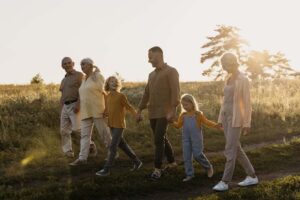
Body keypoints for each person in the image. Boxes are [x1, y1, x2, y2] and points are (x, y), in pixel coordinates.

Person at [213, 53, 258, 191]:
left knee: (230, 149)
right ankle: (252, 176)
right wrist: (220, 119)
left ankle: (225, 181)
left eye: (224, 65)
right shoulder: (228, 79)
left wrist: (247, 123)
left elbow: (247, 103)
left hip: (236, 119)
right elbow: (225, 102)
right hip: (226, 118)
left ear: (232, 63)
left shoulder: (243, 79)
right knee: (236, 148)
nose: (223, 68)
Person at [137, 46, 180, 180]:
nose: (149, 60)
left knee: (157, 139)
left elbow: (175, 91)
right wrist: (139, 109)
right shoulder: (151, 75)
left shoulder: (171, 71)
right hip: (153, 112)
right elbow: (146, 93)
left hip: (165, 112)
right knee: (161, 137)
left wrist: (173, 110)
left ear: (159, 55)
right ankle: (172, 162)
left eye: (151, 57)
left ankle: (157, 168)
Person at [96, 76, 142, 176]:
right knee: (122, 145)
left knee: (113, 147)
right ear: (107, 84)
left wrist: (136, 115)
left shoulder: (121, 96)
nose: (113, 83)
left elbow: (128, 107)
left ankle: (106, 170)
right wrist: (104, 113)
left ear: (117, 84)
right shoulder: (107, 96)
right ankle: (137, 162)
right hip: (111, 124)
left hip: (119, 125)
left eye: (115, 81)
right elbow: (107, 109)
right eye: (111, 81)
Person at [70, 58, 112, 165]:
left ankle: (113, 153)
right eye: (81, 65)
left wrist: (107, 108)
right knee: (84, 135)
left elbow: (106, 93)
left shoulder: (98, 76)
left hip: (98, 110)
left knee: (105, 134)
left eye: (83, 64)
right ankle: (82, 158)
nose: (82, 66)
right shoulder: (84, 79)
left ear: (90, 65)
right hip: (86, 112)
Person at [172, 94, 222, 182]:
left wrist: (216, 125)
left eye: (186, 105)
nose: (184, 107)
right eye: (183, 105)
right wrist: (172, 121)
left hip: (196, 139)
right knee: (187, 157)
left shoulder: (198, 114)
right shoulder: (183, 115)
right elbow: (178, 126)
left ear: (192, 103)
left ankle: (208, 167)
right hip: (186, 139)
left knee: (197, 155)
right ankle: (190, 174)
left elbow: (206, 122)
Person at [59, 57, 97, 158]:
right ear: (62, 66)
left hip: (75, 104)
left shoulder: (79, 75)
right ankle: (68, 152)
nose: (67, 65)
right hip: (65, 107)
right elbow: (62, 94)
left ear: (73, 63)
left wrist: (79, 104)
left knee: (78, 129)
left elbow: (83, 90)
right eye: (65, 64)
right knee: (64, 131)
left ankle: (91, 146)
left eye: (69, 63)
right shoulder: (64, 79)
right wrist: (61, 107)